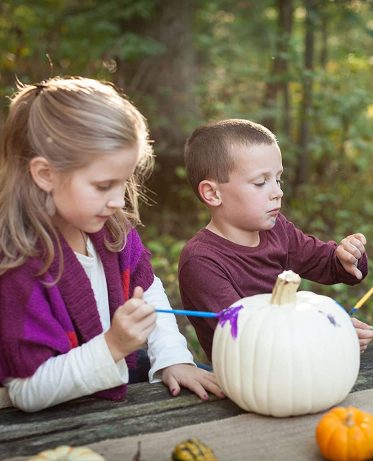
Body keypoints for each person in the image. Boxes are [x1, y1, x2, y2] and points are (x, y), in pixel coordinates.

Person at [0, 77, 224, 412]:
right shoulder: (19, 265)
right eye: (104, 185)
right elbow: (27, 390)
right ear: (45, 174)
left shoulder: (111, 230)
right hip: (58, 416)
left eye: (124, 182)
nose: (118, 201)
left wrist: (173, 359)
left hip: (122, 375)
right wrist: (113, 346)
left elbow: (147, 294)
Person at [179, 119, 373, 360]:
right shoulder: (201, 261)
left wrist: (346, 257)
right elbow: (246, 336)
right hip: (247, 380)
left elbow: (325, 263)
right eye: (261, 182)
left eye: (278, 179)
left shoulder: (277, 229)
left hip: (299, 363)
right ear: (212, 193)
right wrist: (328, 332)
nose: (277, 192)